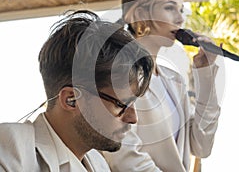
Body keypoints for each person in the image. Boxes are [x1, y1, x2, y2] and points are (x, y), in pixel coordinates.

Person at [0, 10, 154, 171]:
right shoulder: (10, 153)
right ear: (71, 99)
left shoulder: (98, 164)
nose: (133, 118)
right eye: (121, 105)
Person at [102, 0, 222, 172]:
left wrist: (205, 74)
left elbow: (201, 146)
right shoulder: (116, 74)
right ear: (140, 13)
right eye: (170, 8)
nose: (180, 18)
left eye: (181, 10)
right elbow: (125, 159)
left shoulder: (174, 81)